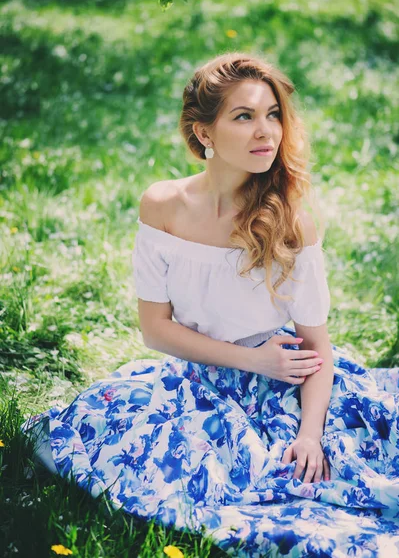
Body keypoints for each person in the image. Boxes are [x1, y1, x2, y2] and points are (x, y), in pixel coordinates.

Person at [23, 52, 399, 557]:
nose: (265, 131)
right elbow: (155, 330)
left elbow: (316, 350)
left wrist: (311, 436)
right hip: (198, 375)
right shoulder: (162, 206)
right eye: (243, 117)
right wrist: (250, 359)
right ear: (204, 133)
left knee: (310, 483)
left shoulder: (293, 222)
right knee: (104, 439)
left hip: (285, 383)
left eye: (272, 115)